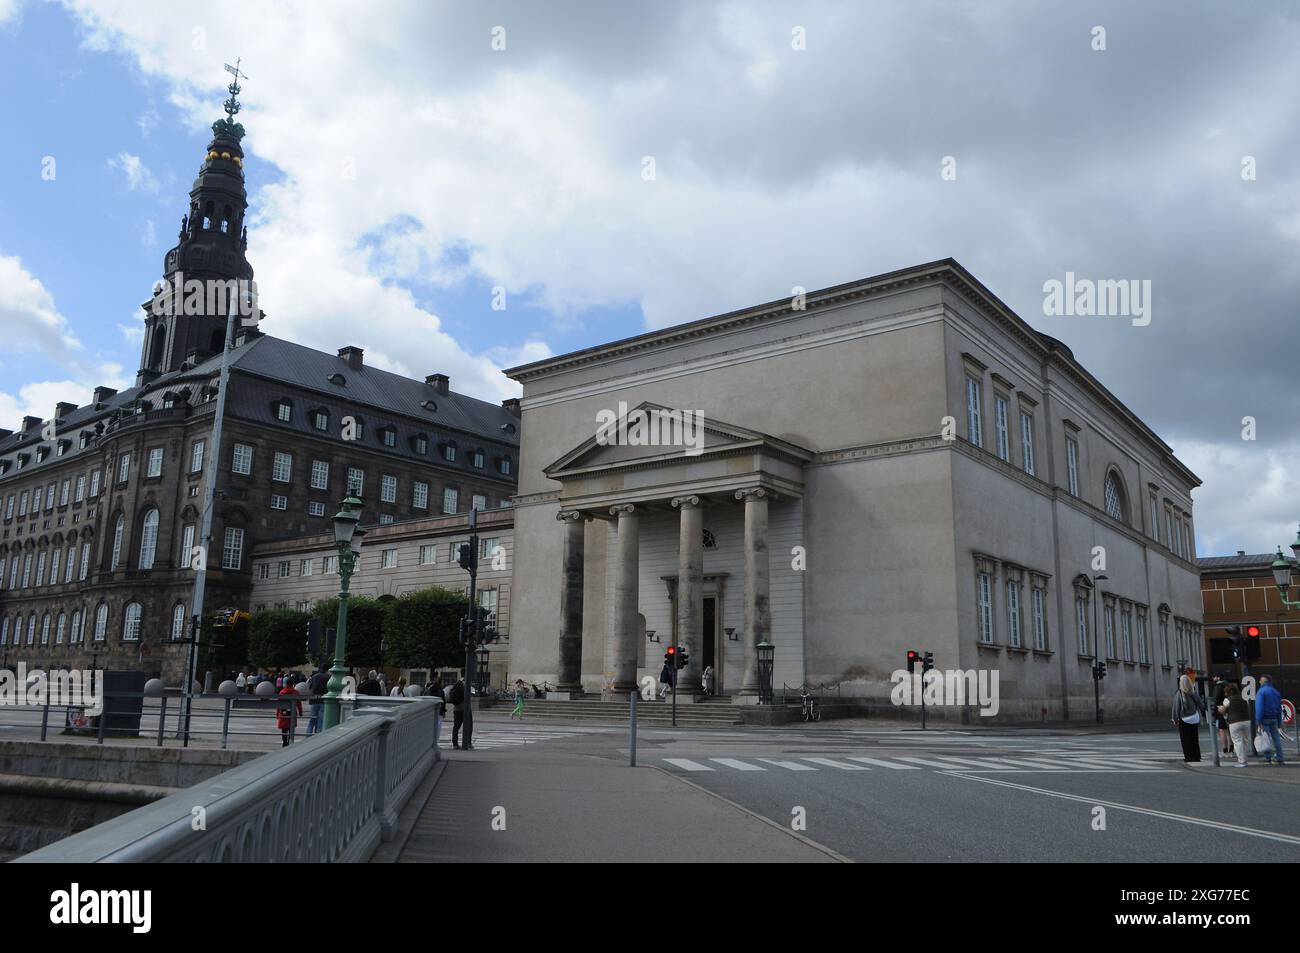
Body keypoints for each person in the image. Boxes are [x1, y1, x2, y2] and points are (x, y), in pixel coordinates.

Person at [1171, 674, 1205, 763]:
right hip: (1195, 717)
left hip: (1185, 718)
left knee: (1185, 739)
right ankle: (1197, 756)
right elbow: (1201, 704)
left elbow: (1176, 707)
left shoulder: (1179, 693)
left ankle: (1189, 757)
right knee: (1194, 738)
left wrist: (1174, 718)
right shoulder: (1193, 692)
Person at [1217, 683, 1251, 767]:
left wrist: (1220, 709)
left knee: (1237, 741)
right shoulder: (1244, 698)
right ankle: (1245, 759)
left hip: (1235, 722)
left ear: (1227, 692)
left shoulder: (1227, 700)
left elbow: (1223, 711)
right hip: (1246, 721)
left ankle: (1242, 761)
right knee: (1245, 740)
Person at [1255, 674, 1286, 765]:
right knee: (1276, 739)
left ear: (1263, 681)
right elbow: (1279, 709)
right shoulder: (1276, 692)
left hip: (1264, 718)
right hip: (1274, 718)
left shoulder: (1261, 692)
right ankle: (1280, 757)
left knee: (1266, 739)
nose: (1259, 682)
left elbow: (1259, 707)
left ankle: (1268, 758)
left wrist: (1258, 720)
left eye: (1260, 680)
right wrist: (1280, 722)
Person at [276, 678, 303, 747]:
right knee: (291, 729)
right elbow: (299, 704)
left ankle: (284, 742)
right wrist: (300, 712)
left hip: (284, 713)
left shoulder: (282, 692)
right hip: (292, 712)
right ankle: (290, 741)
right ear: (292, 684)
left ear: (286, 684)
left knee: (284, 729)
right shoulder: (296, 692)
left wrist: (277, 713)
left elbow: (279, 704)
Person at [306, 668, 330, 735]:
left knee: (312, 719)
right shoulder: (328, 677)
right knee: (321, 719)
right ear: (326, 670)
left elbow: (310, 687)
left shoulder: (314, 676)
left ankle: (308, 734)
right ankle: (318, 734)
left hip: (314, 699)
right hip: (323, 699)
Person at [447, 678, 469, 749]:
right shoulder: (466, 684)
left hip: (456, 708)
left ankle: (455, 744)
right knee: (467, 727)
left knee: (456, 727)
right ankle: (466, 743)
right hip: (463, 708)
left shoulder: (457, 683)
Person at [1212, 673, 1231, 755]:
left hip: (1221, 710)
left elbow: (1216, 700)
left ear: (1218, 678)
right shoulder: (1229, 685)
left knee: (1222, 729)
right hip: (1230, 710)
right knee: (1229, 730)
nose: (1213, 678)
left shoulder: (1218, 687)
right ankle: (1232, 748)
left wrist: (1214, 713)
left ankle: (1225, 749)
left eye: (1214, 677)